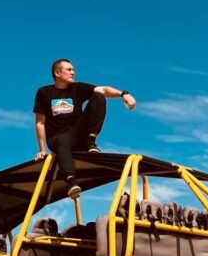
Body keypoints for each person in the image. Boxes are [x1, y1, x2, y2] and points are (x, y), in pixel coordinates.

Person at [33, 58, 137, 198]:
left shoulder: (78, 88)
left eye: (73, 70)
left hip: (77, 134)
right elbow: (40, 123)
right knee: (62, 140)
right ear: (57, 73)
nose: (73, 72)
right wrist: (41, 150)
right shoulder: (44, 92)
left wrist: (123, 94)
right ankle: (71, 182)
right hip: (57, 138)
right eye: (69, 70)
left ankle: (90, 141)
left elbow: (103, 89)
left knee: (98, 96)